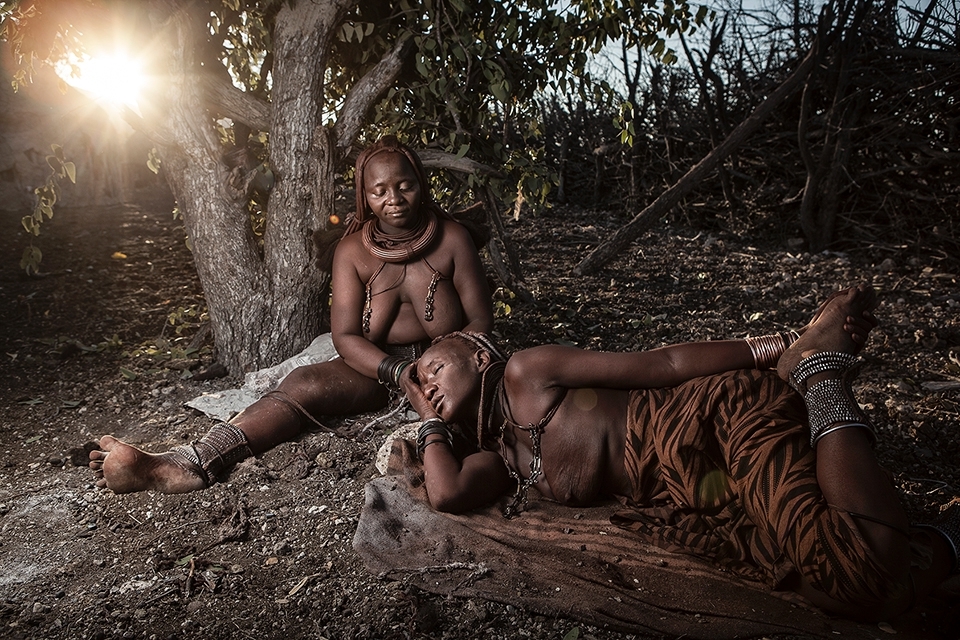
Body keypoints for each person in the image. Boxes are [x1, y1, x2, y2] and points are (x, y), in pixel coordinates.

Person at [400, 283, 958, 621]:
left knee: (857, 571)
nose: (428, 386)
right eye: (421, 387)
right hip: (696, 492)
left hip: (712, 421)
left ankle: (818, 372)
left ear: (478, 356)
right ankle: (945, 543)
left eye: (434, 369)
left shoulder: (528, 372)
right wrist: (429, 420)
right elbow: (446, 493)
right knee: (834, 591)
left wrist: (779, 346)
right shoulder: (503, 458)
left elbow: (663, 364)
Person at [89, 136, 494, 494]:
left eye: (405, 186)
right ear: (364, 196)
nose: (395, 199)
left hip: (445, 367)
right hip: (378, 367)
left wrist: (439, 369)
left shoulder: (453, 239)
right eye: (380, 190)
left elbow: (480, 322)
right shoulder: (352, 251)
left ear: (420, 184)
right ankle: (187, 462)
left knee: (487, 411)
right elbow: (345, 337)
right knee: (302, 382)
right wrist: (397, 371)